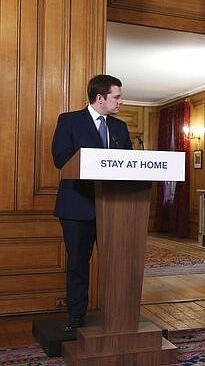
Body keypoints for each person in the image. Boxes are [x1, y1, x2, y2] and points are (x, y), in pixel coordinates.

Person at [52, 74, 132, 331]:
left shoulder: (119, 127)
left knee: (116, 264)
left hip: (113, 207)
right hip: (77, 206)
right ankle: (76, 316)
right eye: (117, 97)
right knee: (77, 264)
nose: (121, 101)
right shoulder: (69, 121)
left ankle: (118, 314)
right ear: (100, 98)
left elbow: (128, 165)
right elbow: (61, 158)